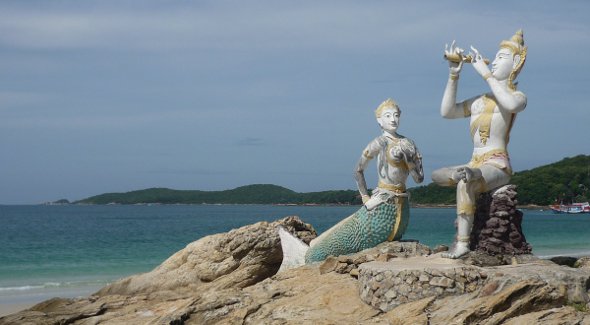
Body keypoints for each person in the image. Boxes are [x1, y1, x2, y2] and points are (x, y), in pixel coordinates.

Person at [278, 98, 423, 269]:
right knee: (319, 252)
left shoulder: (409, 143)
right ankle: (302, 258)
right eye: (388, 115)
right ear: (379, 120)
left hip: (402, 207)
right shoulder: (379, 143)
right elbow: (358, 170)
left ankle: (309, 251)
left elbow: (418, 178)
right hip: (381, 206)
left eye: (396, 115)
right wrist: (365, 198)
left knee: (327, 243)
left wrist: (408, 158)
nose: (393, 119)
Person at [431, 30, 527, 258]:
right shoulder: (480, 100)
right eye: (493, 58)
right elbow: (448, 112)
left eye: (501, 57)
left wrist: (486, 75)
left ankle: (463, 244)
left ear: (515, 62)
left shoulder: (517, 96)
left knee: (465, 183)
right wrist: (454, 74)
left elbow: (510, 103)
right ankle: (468, 176)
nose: (494, 62)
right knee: (437, 175)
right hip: (474, 162)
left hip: (497, 165)